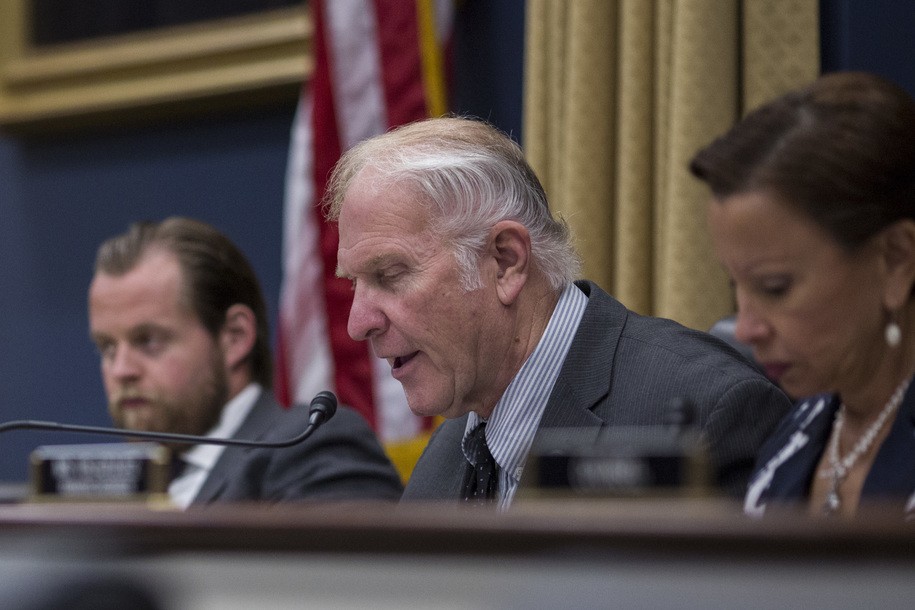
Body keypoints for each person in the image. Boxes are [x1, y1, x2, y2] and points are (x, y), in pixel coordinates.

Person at [325, 116, 791, 508]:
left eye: (389, 275)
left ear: (506, 261)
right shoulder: (446, 458)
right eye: (354, 284)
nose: (358, 323)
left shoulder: (709, 419)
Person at [690, 71, 915, 519]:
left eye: (775, 288)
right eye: (737, 287)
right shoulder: (791, 440)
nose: (747, 328)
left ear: (894, 260)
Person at [88, 217, 403, 508]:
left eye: (149, 340)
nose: (121, 370)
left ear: (235, 337)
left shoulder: (312, 449)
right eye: (107, 347)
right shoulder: (117, 489)